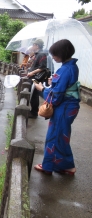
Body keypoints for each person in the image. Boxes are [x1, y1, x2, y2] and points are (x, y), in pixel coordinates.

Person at [33, 39, 80, 175]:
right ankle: (67, 166)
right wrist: (53, 82)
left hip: (64, 107)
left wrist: (42, 88)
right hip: (70, 106)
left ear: (62, 54)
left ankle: (48, 166)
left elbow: (57, 96)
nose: (52, 57)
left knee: (54, 136)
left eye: (55, 55)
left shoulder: (65, 69)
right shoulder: (71, 66)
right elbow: (65, 87)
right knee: (62, 136)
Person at [26, 39, 47, 118]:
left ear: (37, 46)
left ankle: (34, 112)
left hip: (36, 78)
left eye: (33, 45)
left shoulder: (42, 54)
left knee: (34, 94)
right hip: (34, 76)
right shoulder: (38, 54)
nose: (32, 46)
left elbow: (42, 67)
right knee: (32, 93)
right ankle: (33, 111)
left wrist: (32, 73)